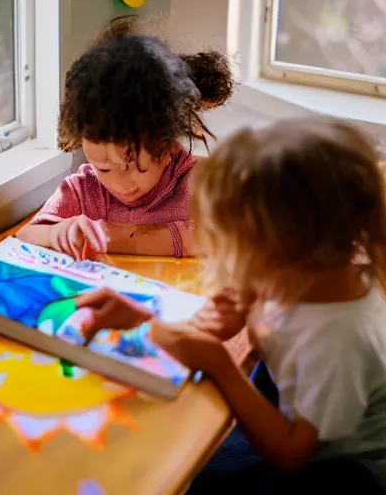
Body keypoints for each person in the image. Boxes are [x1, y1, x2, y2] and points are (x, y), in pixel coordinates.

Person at [75, 117, 386, 493]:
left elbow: (291, 454)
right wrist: (146, 318)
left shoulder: (340, 338)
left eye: (235, 247)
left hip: (338, 469)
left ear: (282, 251)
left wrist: (220, 365)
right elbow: (217, 327)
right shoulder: (307, 273)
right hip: (289, 400)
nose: (223, 262)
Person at [16, 29, 234, 260]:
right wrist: (55, 234)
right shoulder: (84, 190)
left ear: (167, 142)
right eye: (104, 167)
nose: (121, 184)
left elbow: (220, 239)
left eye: (137, 166)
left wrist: (110, 235)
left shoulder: (200, 185)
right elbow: (25, 235)